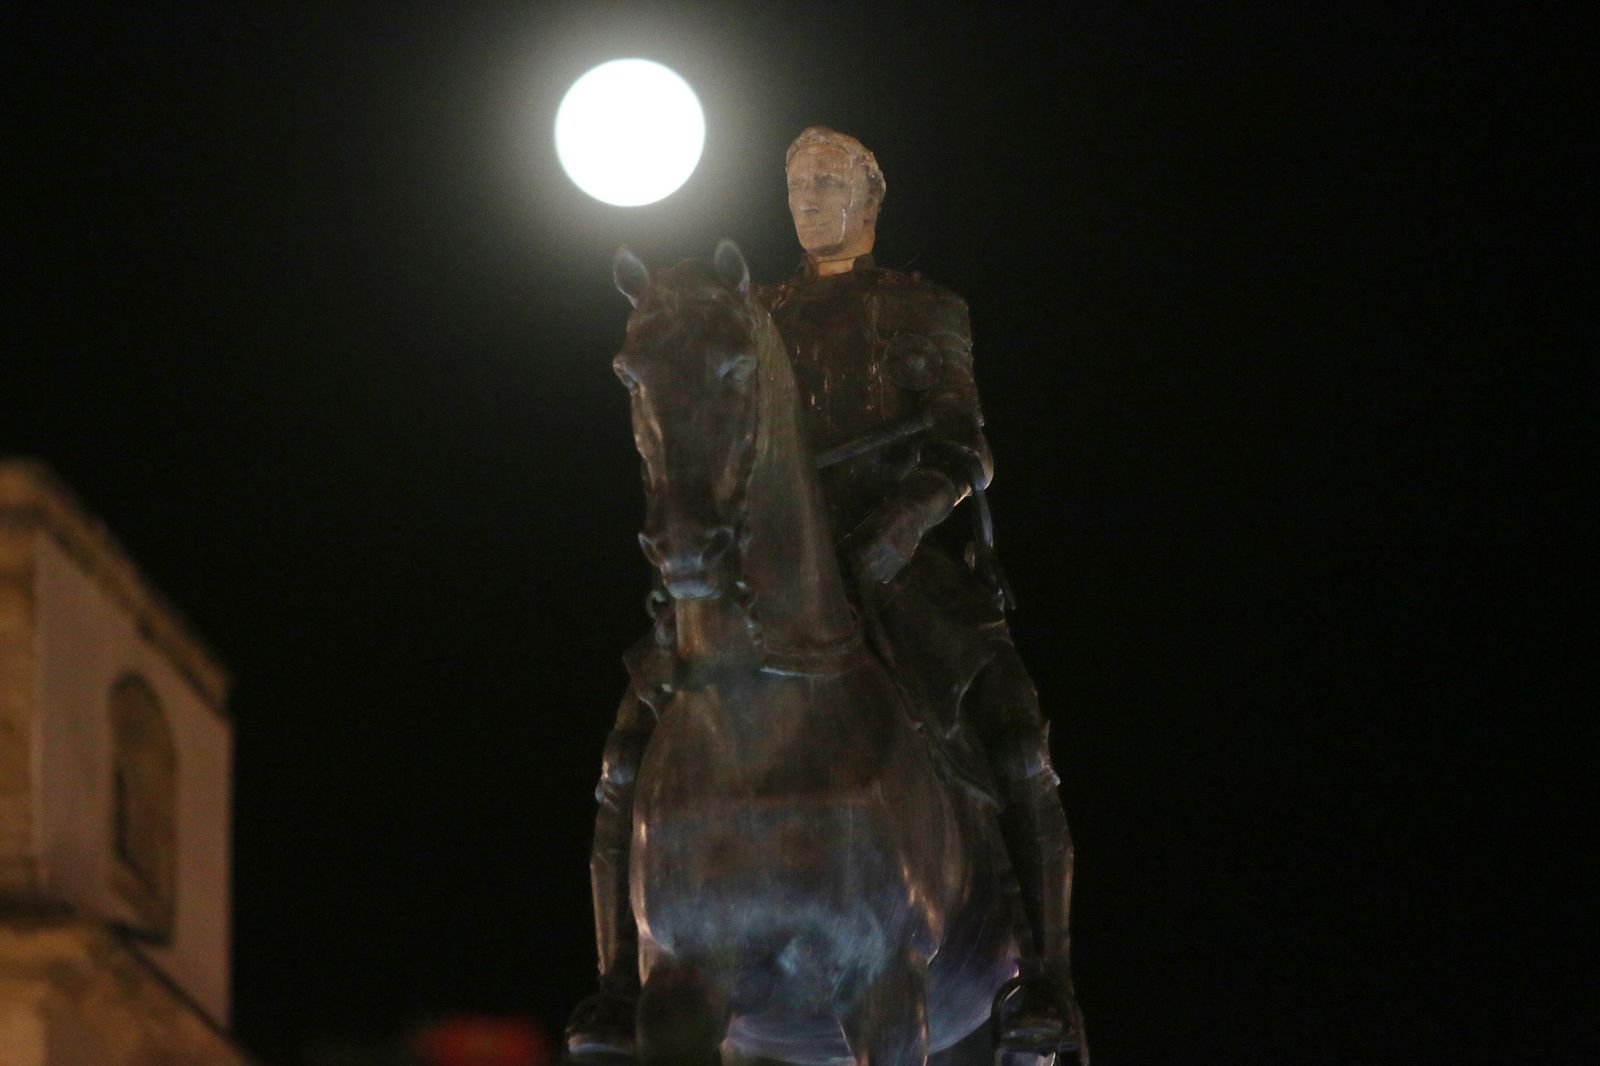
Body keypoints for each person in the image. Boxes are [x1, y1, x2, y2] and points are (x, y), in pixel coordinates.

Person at [567, 127, 1085, 1062]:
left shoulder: (918, 309)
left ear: (869, 199)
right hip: (758, 562)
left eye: (827, 182)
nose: (808, 198)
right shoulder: (746, 308)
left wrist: (903, 522)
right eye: (797, 183)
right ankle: (614, 983)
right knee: (620, 755)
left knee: (1014, 728)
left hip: (890, 559)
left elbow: (964, 445)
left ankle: (1044, 976)